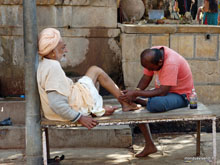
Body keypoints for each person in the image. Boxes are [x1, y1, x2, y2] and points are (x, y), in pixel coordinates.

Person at [37, 28, 139, 130]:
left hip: (70, 102)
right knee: (95, 71)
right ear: (52, 52)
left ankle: (99, 107)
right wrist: (80, 118)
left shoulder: (44, 63)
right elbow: (57, 104)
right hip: (70, 108)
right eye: (63, 48)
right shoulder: (53, 66)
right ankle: (124, 103)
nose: (66, 51)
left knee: (93, 71)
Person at [119, 46, 194, 157]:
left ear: (160, 62)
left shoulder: (171, 63)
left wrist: (136, 95)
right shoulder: (153, 54)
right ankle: (150, 145)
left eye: (152, 68)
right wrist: (136, 92)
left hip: (181, 96)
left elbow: (163, 92)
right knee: (140, 102)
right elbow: (146, 77)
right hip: (163, 92)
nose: (150, 71)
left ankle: (144, 102)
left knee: (156, 104)